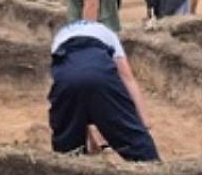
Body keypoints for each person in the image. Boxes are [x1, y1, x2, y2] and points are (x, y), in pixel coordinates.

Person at [47, 20, 159, 161]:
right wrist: (144, 123)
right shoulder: (108, 34)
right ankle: (154, 174)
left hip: (66, 80)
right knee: (133, 141)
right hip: (100, 72)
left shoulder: (59, 37)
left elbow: (74, 90)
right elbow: (127, 78)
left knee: (67, 152)